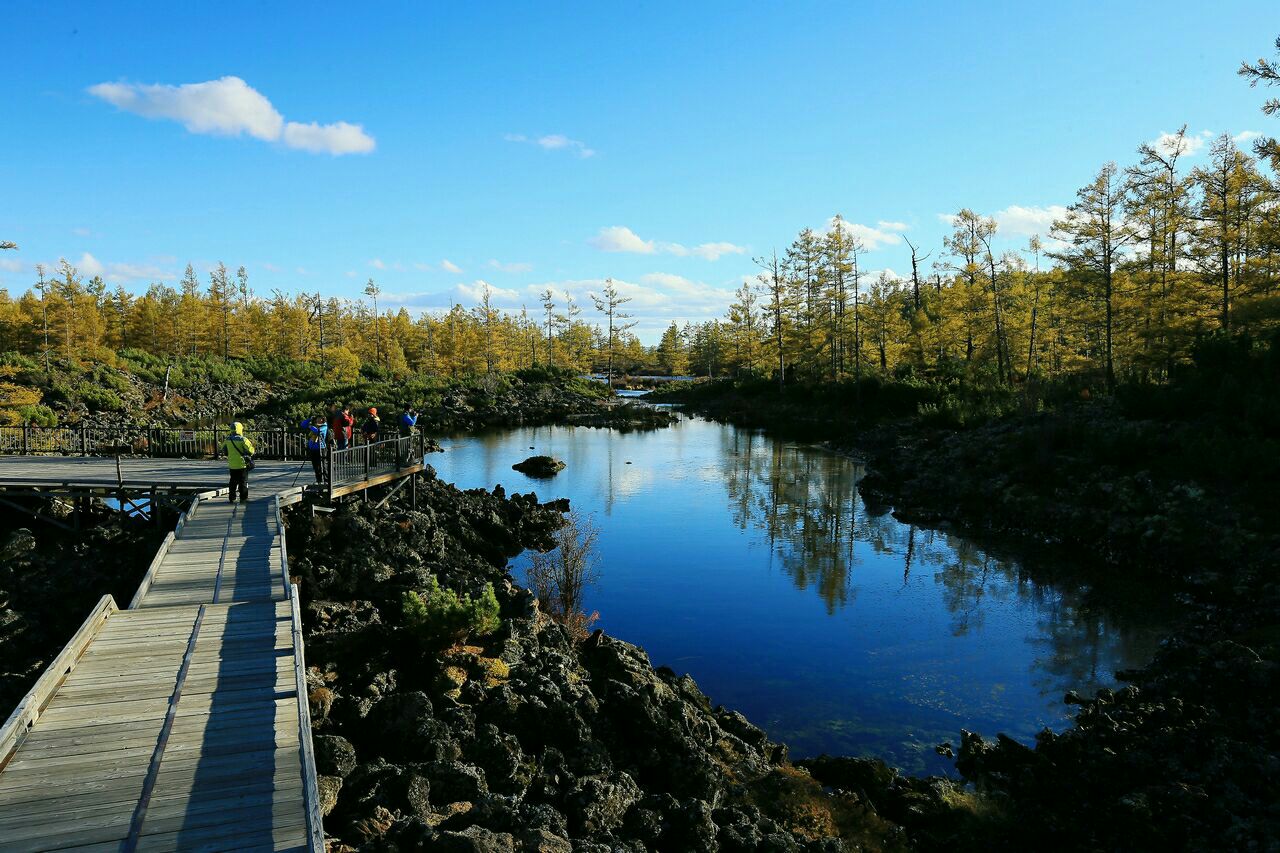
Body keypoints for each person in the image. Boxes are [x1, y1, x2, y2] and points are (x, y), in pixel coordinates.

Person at [224, 422, 255, 504]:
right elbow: (251, 451)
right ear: (240, 429)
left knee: (233, 482)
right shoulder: (243, 439)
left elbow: (224, 450)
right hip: (242, 464)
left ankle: (232, 498)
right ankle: (243, 498)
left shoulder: (228, 439)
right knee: (243, 482)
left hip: (232, 465)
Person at [301, 414, 329, 484]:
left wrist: (310, 426)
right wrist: (309, 419)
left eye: (321, 419)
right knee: (315, 465)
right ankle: (319, 480)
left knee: (322, 464)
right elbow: (302, 424)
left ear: (323, 420)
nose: (319, 420)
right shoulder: (314, 425)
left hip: (321, 448)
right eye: (318, 418)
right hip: (313, 448)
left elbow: (318, 431)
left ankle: (326, 480)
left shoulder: (324, 426)